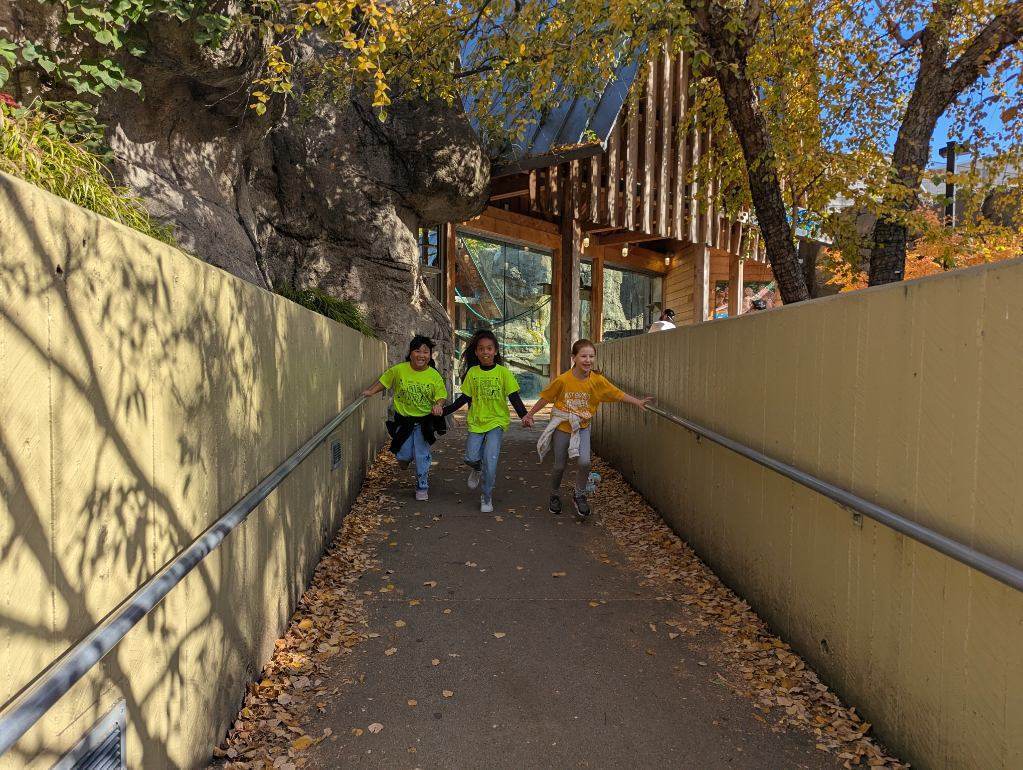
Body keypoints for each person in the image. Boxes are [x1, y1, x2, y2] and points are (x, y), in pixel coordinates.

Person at [522, 339, 653, 518]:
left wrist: (637, 401)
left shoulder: (597, 380)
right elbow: (546, 397)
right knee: (560, 465)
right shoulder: (563, 380)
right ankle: (554, 494)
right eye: (583, 356)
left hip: (582, 427)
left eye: (591, 356)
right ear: (574, 358)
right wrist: (530, 415)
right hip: (562, 427)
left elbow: (616, 393)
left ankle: (580, 495)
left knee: (585, 462)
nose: (588, 360)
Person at [443, 330, 528, 513]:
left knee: (491, 461)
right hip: (476, 422)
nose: (485, 352)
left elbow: (514, 397)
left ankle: (486, 497)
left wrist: (524, 416)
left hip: (497, 422)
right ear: (476, 352)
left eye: (489, 348)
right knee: (471, 457)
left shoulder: (503, 373)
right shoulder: (473, 373)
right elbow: (463, 399)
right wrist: (444, 412)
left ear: (495, 351)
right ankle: (476, 467)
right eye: (481, 349)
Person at [362, 336, 448, 501]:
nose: (421, 355)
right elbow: (384, 381)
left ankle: (422, 486)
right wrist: (371, 391)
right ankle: (404, 460)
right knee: (403, 456)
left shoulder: (433, 375)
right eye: (417, 351)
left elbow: (441, 395)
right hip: (404, 420)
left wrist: (438, 405)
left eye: (425, 352)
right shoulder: (399, 370)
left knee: (422, 455)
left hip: (424, 422)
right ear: (410, 353)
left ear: (430, 355)